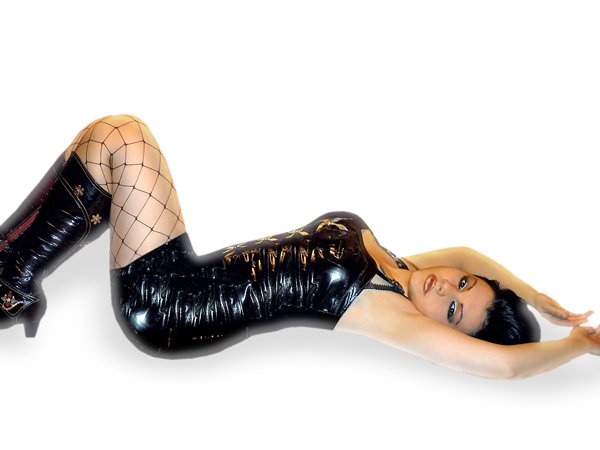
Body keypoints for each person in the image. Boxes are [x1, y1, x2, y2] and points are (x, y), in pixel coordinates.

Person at [1, 114, 598, 379]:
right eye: (462, 285)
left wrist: (574, 345)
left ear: (443, 331)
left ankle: (10, 280)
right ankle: (12, 281)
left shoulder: (389, 312)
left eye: (452, 310)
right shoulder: (404, 269)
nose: (446, 286)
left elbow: (507, 366)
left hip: (172, 307)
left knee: (122, 138)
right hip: (188, 273)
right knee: (104, 146)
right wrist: (536, 296)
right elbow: (467, 254)